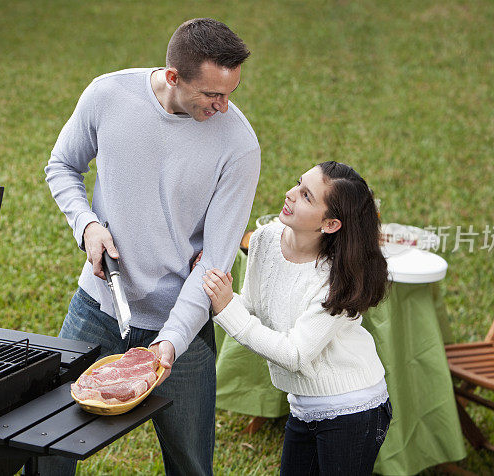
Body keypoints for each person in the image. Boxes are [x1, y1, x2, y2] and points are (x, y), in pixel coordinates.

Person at [42, 18, 260, 476]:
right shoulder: (108, 96)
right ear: (174, 77)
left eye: (230, 93)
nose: (223, 107)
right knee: (46, 443)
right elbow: (62, 165)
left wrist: (171, 342)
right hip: (98, 306)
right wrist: (86, 226)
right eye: (212, 95)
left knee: (191, 465)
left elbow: (215, 264)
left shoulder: (239, 146)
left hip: (182, 326)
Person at [203, 162, 392, 475]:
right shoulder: (263, 239)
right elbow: (250, 310)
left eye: (306, 196)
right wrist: (216, 291)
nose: (289, 194)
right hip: (303, 405)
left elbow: (295, 354)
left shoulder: (337, 278)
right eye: (297, 184)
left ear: (330, 224)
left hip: (355, 412)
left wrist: (225, 308)